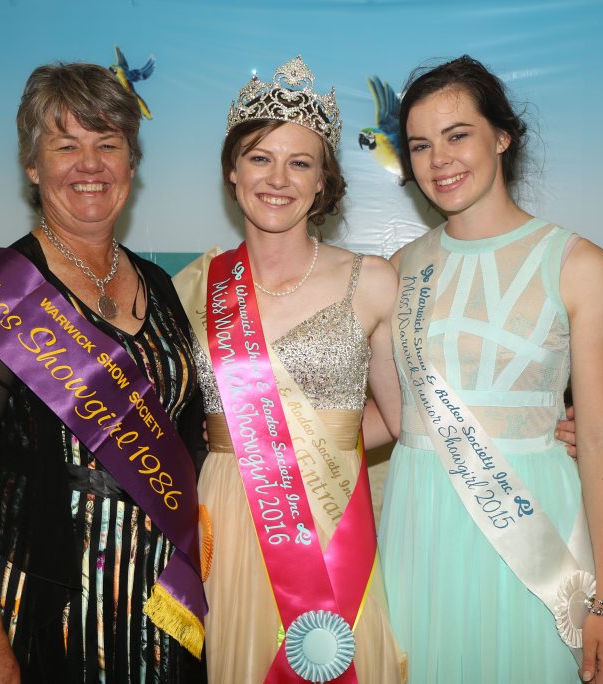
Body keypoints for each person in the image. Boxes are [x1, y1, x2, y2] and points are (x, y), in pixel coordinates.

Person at [0, 62, 207, 683]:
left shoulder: (160, 288)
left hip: (158, 613)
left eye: (108, 145)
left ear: (131, 166)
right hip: (40, 610)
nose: (90, 164)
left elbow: (189, 443)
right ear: (33, 165)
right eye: (66, 146)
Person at [378, 55, 603, 683]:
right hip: (419, 535)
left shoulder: (578, 265)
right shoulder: (397, 270)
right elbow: (388, 418)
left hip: (534, 537)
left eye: (458, 135)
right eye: (419, 145)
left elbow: (602, 437)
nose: (439, 159)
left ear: (501, 136)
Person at [173, 56, 407, 683]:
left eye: (300, 162)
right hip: (222, 515)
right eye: (259, 158)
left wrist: (315, 446)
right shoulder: (191, 287)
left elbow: (400, 417)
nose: (278, 178)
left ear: (324, 183)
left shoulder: (373, 282)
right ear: (232, 170)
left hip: (329, 523)